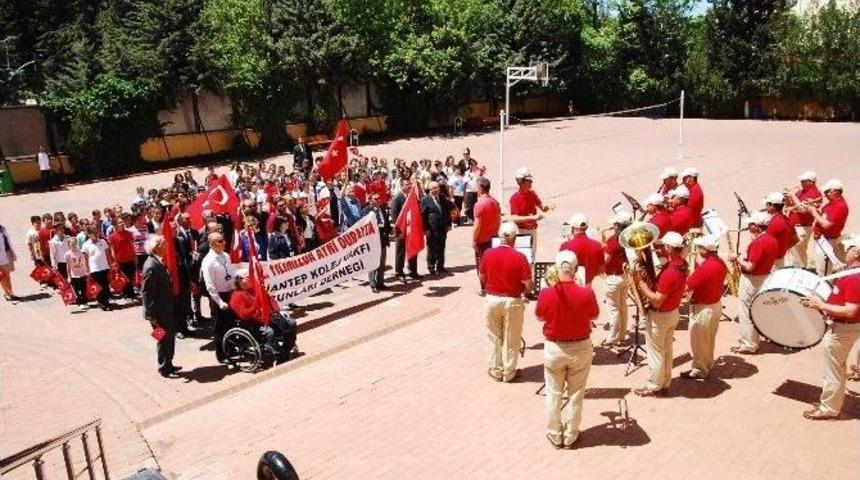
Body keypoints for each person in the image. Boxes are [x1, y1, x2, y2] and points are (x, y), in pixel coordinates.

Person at [535, 250, 598, 449]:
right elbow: (594, 316)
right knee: (576, 393)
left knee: (554, 393)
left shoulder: (546, 292)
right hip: (580, 347)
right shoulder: (586, 292)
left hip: (555, 348)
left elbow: (539, 317)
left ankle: (554, 433)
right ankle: (571, 434)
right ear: (575, 269)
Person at [799, 235, 860, 420]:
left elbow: (850, 310)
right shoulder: (851, 273)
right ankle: (831, 402)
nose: (844, 251)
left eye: (848, 248)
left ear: (857, 253)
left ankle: (829, 408)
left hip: (842, 329)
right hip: (841, 326)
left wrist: (820, 305)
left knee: (832, 369)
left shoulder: (855, 279)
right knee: (836, 367)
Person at [632, 232, 688, 396]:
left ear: (670, 248)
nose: (661, 248)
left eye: (664, 246)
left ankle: (653, 385)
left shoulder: (671, 272)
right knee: (667, 351)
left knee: (656, 353)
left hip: (660, 316)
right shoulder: (682, 264)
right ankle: (665, 382)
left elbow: (657, 300)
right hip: (672, 313)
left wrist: (641, 284)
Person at [479, 222, 534, 382]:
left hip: (492, 299)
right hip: (512, 300)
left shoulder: (488, 254)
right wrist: (526, 290)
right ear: (514, 238)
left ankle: (496, 370)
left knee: (494, 337)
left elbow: (482, 277)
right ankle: (509, 372)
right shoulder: (520, 257)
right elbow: (527, 284)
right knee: (512, 337)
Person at [729, 211, 779, 354]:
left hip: (752, 279)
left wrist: (736, 258)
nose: (749, 227)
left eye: (751, 224)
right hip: (764, 276)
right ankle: (754, 340)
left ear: (757, 226)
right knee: (755, 310)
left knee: (745, 311)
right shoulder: (771, 239)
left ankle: (748, 343)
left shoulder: (758, 243)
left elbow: (750, 266)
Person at [682, 235, 727, 379]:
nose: (698, 250)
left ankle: (700, 369)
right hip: (715, 305)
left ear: (706, 250)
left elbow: (687, 286)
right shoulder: (720, 263)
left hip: (703, 308)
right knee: (709, 339)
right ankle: (707, 364)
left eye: (700, 247)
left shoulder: (705, 267)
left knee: (699, 342)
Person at [229, 269, 296, 359]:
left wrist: (276, 310)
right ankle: (279, 354)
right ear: (240, 280)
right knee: (270, 332)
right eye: (248, 277)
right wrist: (255, 307)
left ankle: (286, 349)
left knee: (291, 323)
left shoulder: (255, 289)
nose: (251, 279)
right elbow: (243, 315)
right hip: (252, 323)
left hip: (267, 317)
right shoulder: (237, 296)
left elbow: (271, 301)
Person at [141, 235, 182, 378]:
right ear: (156, 247)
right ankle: (164, 368)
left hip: (166, 308)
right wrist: (150, 315)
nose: (166, 245)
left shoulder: (158, 262)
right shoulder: (151, 266)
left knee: (169, 337)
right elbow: (147, 292)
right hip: (158, 312)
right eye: (163, 243)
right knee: (163, 339)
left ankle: (168, 363)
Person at [201, 232, 237, 363]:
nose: (224, 243)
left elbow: (231, 273)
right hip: (218, 297)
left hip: (229, 293)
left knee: (231, 323)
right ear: (211, 244)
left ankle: (231, 348)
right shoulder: (208, 261)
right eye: (220, 241)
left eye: (223, 240)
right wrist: (219, 301)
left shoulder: (225, 255)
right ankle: (221, 355)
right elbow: (210, 285)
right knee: (219, 327)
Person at [602, 210, 633, 347]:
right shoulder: (628, 239)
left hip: (613, 278)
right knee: (623, 307)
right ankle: (622, 334)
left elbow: (604, 261)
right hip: (624, 275)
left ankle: (612, 337)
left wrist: (603, 247)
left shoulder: (613, 243)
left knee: (613, 309)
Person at [808, 179, 849, 275]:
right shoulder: (831, 204)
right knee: (819, 267)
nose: (825, 194)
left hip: (827, 241)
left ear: (835, 192)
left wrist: (813, 212)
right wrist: (816, 210)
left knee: (824, 271)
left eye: (827, 191)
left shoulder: (839, 206)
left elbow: (826, 224)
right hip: (820, 239)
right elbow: (825, 217)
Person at [783, 171, 822, 268]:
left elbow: (802, 209)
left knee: (798, 252)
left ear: (811, 182)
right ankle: (795, 269)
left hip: (803, 227)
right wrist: (787, 197)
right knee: (792, 252)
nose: (801, 183)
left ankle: (802, 269)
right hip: (794, 226)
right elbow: (791, 206)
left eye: (804, 181)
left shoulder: (815, 193)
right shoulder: (801, 192)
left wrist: (792, 195)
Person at [509, 167, 550, 259]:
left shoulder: (532, 193)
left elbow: (542, 207)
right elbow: (515, 218)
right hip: (522, 231)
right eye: (528, 180)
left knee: (532, 257)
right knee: (524, 258)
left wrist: (546, 208)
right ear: (521, 182)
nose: (531, 182)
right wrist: (532, 218)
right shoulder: (514, 198)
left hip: (533, 230)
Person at [559, 214, 603, 286]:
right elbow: (601, 270)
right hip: (588, 285)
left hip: (571, 286)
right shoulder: (597, 245)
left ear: (572, 228)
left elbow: (560, 269)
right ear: (586, 228)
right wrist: (589, 276)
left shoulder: (565, 246)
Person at [420, 181, 453, 275]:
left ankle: (440, 266)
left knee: (441, 247)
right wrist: (425, 229)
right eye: (434, 188)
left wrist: (449, 224)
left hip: (442, 227)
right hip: (431, 228)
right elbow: (423, 216)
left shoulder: (442, 197)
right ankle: (431, 267)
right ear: (430, 189)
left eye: (438, 187)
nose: (437, 189)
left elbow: (447, 211)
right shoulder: (425, 199)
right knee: (432, 248)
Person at [390, 179, 420, 281]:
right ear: (402, 186)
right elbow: (394, 217)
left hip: (411, 228)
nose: (410, 186)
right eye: (407, 184)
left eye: (410, 184)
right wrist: (398, 231)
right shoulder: (397, 198)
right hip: (401, 230)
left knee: (413, 248)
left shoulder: (412, 197)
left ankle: (413, 271)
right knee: (400, 251)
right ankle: (399, 272)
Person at [362, 193, 390, 293]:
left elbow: (385, 222)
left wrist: (389, 231)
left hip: (382, 240)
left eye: (379, 198)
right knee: (373, 263)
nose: (378, 200)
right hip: (373, 241)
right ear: (370, 200)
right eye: (376, 199)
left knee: (382, 263)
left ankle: (380, 282)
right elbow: (364, 226)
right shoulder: (366, 211)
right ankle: (373, 284)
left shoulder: (382, 209)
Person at [81, 227, 113, 310]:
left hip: (104, 267)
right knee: (99, 287)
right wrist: (86, 270)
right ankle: (102, 303)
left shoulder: (102, 242)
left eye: (97, 233)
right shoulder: (86, 245)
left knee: (105, 286)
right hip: (94, 269)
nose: (96, 235)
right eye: (93, 233)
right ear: (89, 235)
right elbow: (85, 258)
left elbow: (107, 254)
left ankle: (106, 302)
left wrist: (110, 264)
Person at [108, 214, 138, 301]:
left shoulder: (129, 233)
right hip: (121, 260)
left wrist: (135, 257)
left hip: (130, 258)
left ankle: (131, 294)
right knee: (125, 278)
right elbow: (112, 250)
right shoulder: (112, 236)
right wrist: (115, 262)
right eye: (120, 222)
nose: (122, 223)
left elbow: (132, 246)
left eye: (122, 221)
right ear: (116, 225)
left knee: (131, 277)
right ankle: (127, 295)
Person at [763, 191, 795, 268]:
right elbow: (796, 239)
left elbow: (766, 243)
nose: (765, 206)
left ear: (772, 205)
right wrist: (783, 249)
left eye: (767, 204)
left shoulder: (775, 222)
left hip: (773, 260)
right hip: (781, 256)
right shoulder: (786, 219)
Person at [64, 237, 90, 312]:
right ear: (69, 245)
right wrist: (69, 276)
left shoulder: (81, 252)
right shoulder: (67, 254)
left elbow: (84, 262)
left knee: (83, 289)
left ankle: (84, 301)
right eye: (72, 244)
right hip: (74, 275)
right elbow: (68, 266)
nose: (74, 246)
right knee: (76, 290)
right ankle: (79, 303)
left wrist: (86, 271)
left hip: (82, 274)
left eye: (75, 244)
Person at [0, 224, 19, 303]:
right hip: (1, 256)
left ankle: (8, 292)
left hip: (6, 253)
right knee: (4, 276)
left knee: (6, 275)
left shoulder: (2, 228)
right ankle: (10, 294)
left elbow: (8, 241)